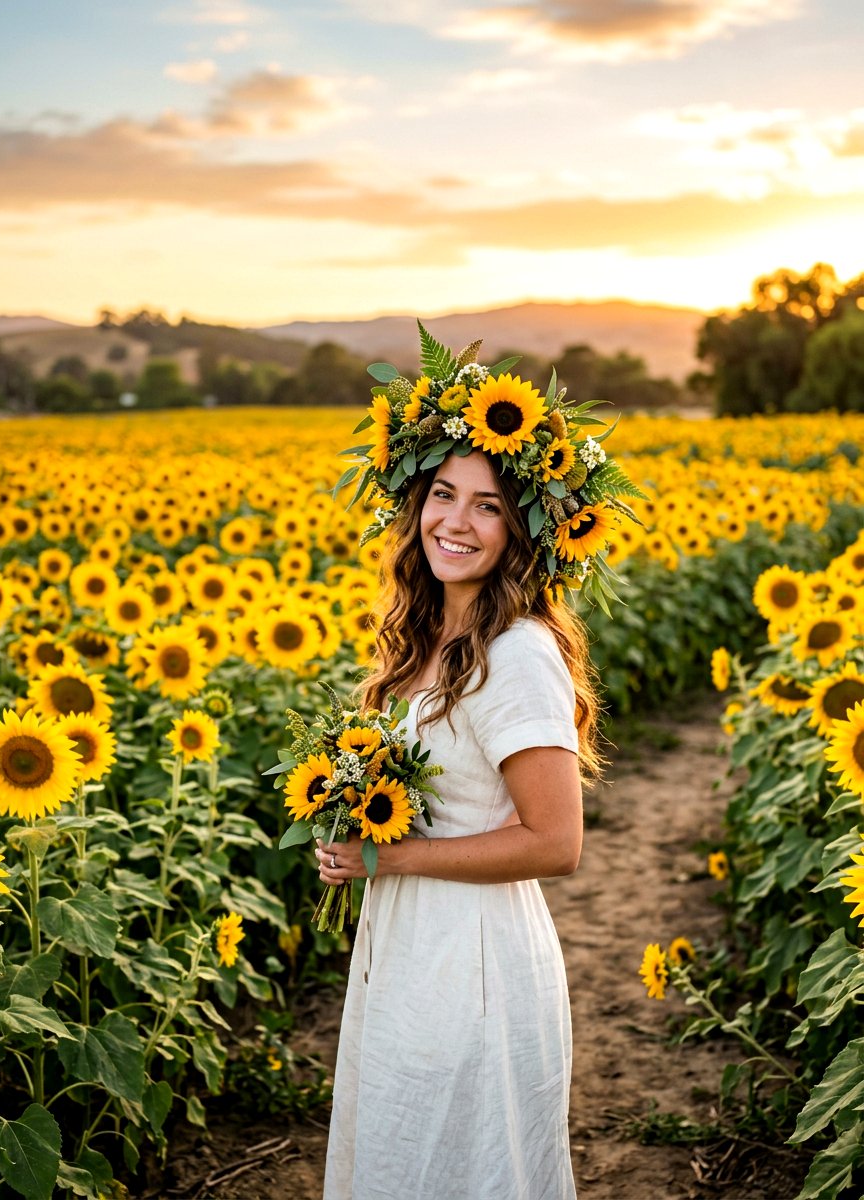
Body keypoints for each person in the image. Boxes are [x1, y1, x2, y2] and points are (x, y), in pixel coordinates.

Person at [316, 334, 635, 1199]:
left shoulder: (519, 652)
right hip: (411, 949)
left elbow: (556, 841)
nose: (455, 522)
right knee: (402, 1151)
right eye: (442, 495)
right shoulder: (426, 639)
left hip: (475, 964)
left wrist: (395, 856)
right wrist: (352, 833)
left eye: (488, 505)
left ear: (524, 527)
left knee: (460, 1165)